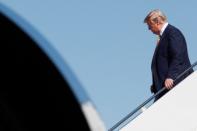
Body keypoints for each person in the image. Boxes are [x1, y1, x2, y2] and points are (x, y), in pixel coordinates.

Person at [144, 9, 193, 101]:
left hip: (175, 85)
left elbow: (178, 55)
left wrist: (171, 76)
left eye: (150, 26)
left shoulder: (172, 33)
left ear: (157, 22)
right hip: (165, 88)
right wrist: (155, 84)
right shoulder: (164, 36)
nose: (149, 29)